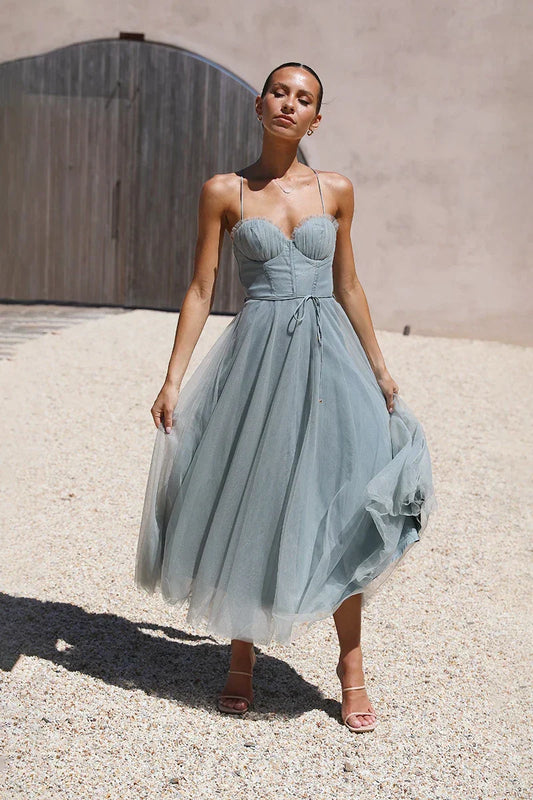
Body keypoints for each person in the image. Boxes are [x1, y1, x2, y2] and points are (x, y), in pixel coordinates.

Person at [134, 62, 437, 733]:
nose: (289, 103)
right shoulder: (225, 190)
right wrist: (173, 376)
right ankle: (240, 657)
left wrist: (380, 368)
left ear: (315, 119)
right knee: (256, 498)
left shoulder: (336, 190)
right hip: (257, 361)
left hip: (331, 359)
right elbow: (199, 289)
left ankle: (350, 668)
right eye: (279, 92)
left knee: (341, 501)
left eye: (304, 98)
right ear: (259, 103)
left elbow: (348, 284)